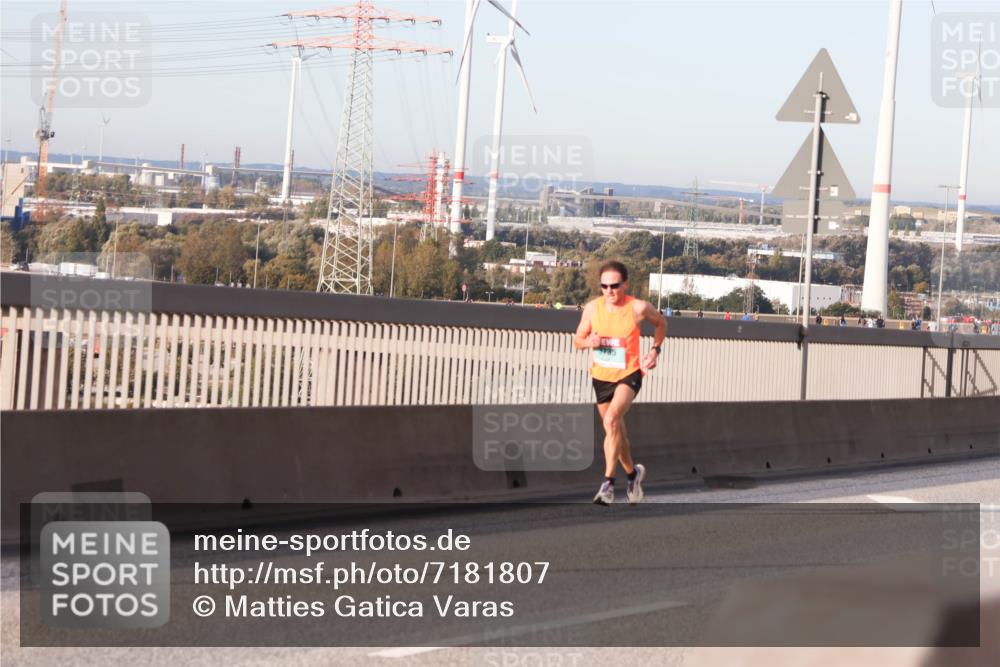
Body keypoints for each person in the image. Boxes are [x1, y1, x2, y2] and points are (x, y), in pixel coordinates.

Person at [574, 260, 666, 506]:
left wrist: (655, 350)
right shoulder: (593, 309)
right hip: (601, 376)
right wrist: (588, 343)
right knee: (616, 432)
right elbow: (577, 340)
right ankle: (633, 475)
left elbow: (661, 323)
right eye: (604, 286)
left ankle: (607, 485)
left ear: (625, 284)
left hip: (629, 373)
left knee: (611, 419)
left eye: (615, 286)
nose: (609, 291)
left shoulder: (638, 307)